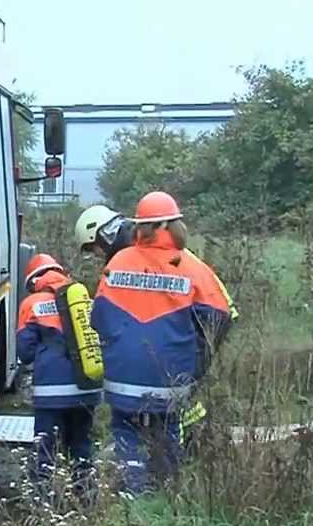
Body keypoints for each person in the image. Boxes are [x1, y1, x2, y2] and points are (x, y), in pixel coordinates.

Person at [89, 191, 232, 495]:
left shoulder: (119, 261)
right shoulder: (190, 266)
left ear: (139, 227)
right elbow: (219, 317)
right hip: (171, 378)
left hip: (122, 378)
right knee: (167, 434)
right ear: (173, 226)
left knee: (126, 436)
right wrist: (198, 360)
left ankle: (132, 497)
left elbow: (97, 318)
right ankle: (165, 495)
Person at [16, 253, 102, 493]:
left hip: (50, 392)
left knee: (45, 448)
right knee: (81, 445)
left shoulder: (32, 304)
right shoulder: (82, 298)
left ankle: (43, 499)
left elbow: (26, 351)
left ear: (34, 281)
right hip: (87, 388)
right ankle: (85, 497)